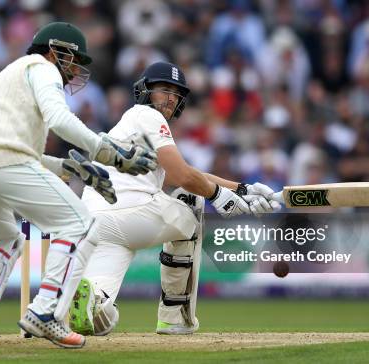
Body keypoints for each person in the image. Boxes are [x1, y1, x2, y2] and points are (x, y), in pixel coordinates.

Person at [0, 22, 157, 349]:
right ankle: (45, 313)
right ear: (57, 50)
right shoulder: (43, 68)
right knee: (80, 224)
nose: (75, 70)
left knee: (3, 236)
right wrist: (108, 152)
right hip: (2, 162)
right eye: (74, 60)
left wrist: (66, 166)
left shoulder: (8, 77)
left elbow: (4, 145)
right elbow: (58, 119)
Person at [62, 62, 279, 336]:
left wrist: (240, 189)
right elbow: (183, 178)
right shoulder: (147, 116)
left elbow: (181, 172)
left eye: (176, 94)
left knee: (99, 310)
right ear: (144, 91)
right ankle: (173, 316)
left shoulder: (127, 126)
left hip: (98, 222)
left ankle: (94, 300)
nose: (171, 98)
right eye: (164, 90)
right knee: (191, 201)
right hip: (131, 211)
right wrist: (219, 196)